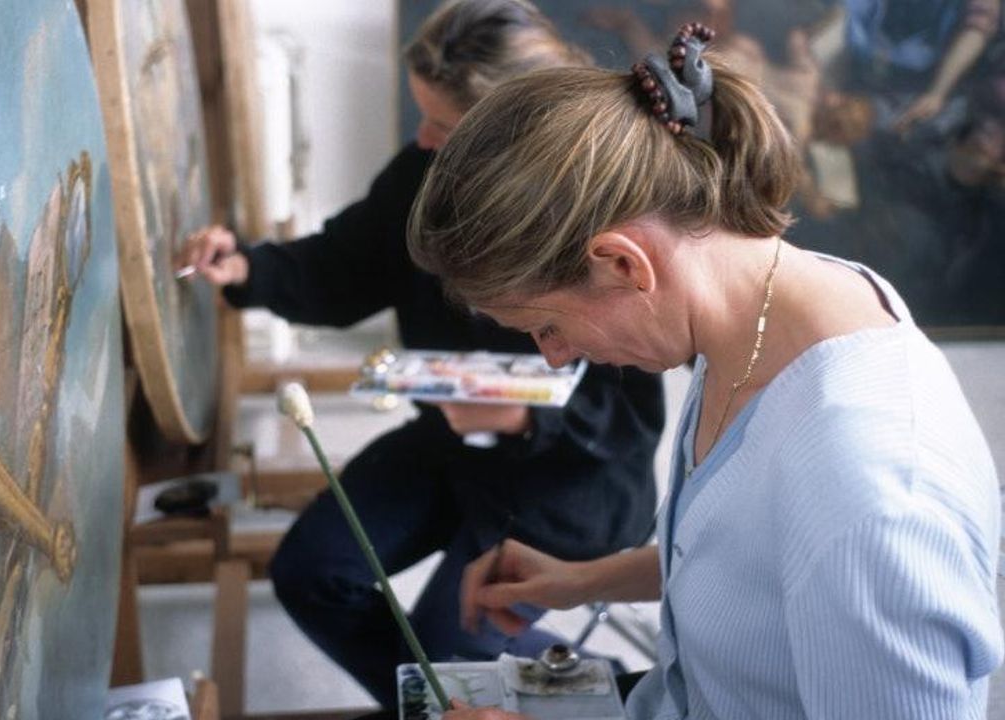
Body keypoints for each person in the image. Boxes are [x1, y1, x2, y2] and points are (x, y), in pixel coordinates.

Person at [408, 23, 1002, 719]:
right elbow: (758, 564)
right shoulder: (766, 314)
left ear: (625, 264)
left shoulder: (868, 485)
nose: (554, 357)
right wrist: (580, 580)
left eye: (547, 325)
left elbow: (831, 541)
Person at [176, 0, 664, 707]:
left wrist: (523, 420)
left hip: (572, 484)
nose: (424, 141)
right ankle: (441, 701)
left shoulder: (606, 213)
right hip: (451, 448)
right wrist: (248, 269)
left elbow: (629, 421)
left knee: (449, 648)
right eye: (421, 117)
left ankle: (474, 694)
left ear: (506, 131)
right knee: (311, 573)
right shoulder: (422, 171)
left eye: (442, 124)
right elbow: (343, 267)